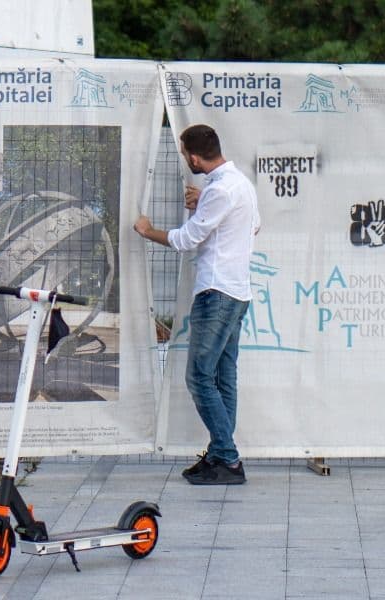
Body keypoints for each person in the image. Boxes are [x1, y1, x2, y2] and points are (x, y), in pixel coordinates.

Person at [133, 124, 260, 485]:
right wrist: (200, 204)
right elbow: (253, 227)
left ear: (192, 156)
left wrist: (147, 230)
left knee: (200, 376)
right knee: (223, 376)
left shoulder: (220, 190)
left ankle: (228, 458)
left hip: (216, 292)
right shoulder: (240, 185)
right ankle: (222, 455)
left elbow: (187, 239)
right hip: (237, 292)